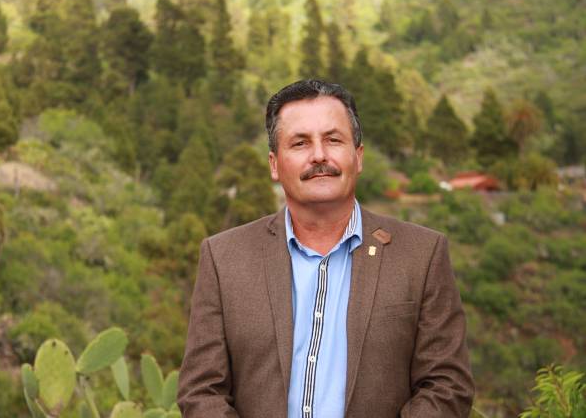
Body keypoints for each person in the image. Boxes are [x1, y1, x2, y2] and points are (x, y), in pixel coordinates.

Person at [177, 79, 474, 417]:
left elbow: (447, 385)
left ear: (357, 156)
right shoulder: (223, 258)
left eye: (333, 140)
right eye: (300, 143)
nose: (319, 155)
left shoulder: (422, 255)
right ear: (274, 164)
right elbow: (201, 390)